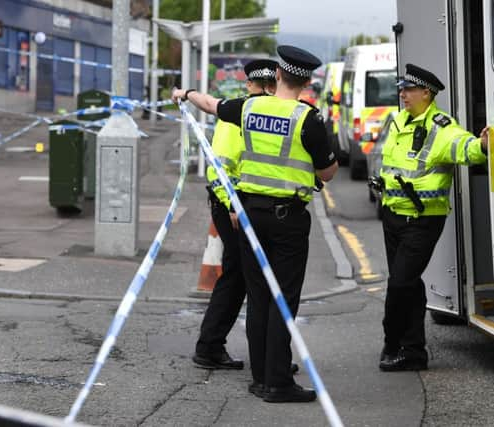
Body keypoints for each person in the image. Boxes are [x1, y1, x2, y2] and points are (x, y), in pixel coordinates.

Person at [173, 45, 338, 403]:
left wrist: (184, 94)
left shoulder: (248, 108)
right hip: (288, 219)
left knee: (260, 298)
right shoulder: (307, 119)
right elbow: (328, 171)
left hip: (250, 217)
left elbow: (210, 104)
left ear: (277, 75)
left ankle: (261, 377)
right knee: (282, 300)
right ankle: (277, 382)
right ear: (307, 81)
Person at [376, 63, 488, 371]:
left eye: (408, 89)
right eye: (401, 89)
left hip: (422, 221)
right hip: (393, 216)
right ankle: (413, 351)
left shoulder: (441, 127)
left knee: (400, 284)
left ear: (426, 93)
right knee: (408, 284)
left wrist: (481, 145)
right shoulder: (398, 121)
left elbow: (464, 146)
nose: (402, 94)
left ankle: (392, 342)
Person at [192, 59, 278, 371]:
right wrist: (231, 204)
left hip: (247, 206)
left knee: (241, 276)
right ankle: (212, 347)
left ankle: (218, 347)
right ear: (257, 86)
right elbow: (220, 166)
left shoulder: (261, 112)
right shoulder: (238, 115)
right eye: (267, 88)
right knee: (240, 276)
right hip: (234, 207)